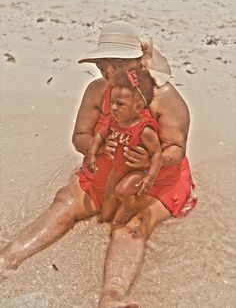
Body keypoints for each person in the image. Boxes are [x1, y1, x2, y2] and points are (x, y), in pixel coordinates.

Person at [0, 21, 197, 308]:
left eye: (118, 63)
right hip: (105, 172)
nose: (109, 71)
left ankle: (112, 297)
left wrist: (152, 159)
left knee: (131, 224)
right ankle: (8, 258)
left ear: (139, 63)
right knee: (66, 200)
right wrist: (98, 145)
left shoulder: (165, 98)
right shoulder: (96, 91)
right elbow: (79, 136)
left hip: (155, 180)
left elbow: (177, 148)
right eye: (104, 64)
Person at [87, 68, 162, 225]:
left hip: (137, 172)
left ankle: (131, 207)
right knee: (109, 195)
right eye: (112, 102)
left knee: (121, 190)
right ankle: (103, 221)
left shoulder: (144, 130)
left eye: (120, 104)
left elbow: (156, 153)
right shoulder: (113, 121)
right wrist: (92, 154)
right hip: (117, 169)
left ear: (138, 107)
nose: (113, 107)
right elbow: (100, 135)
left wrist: (150, 177)